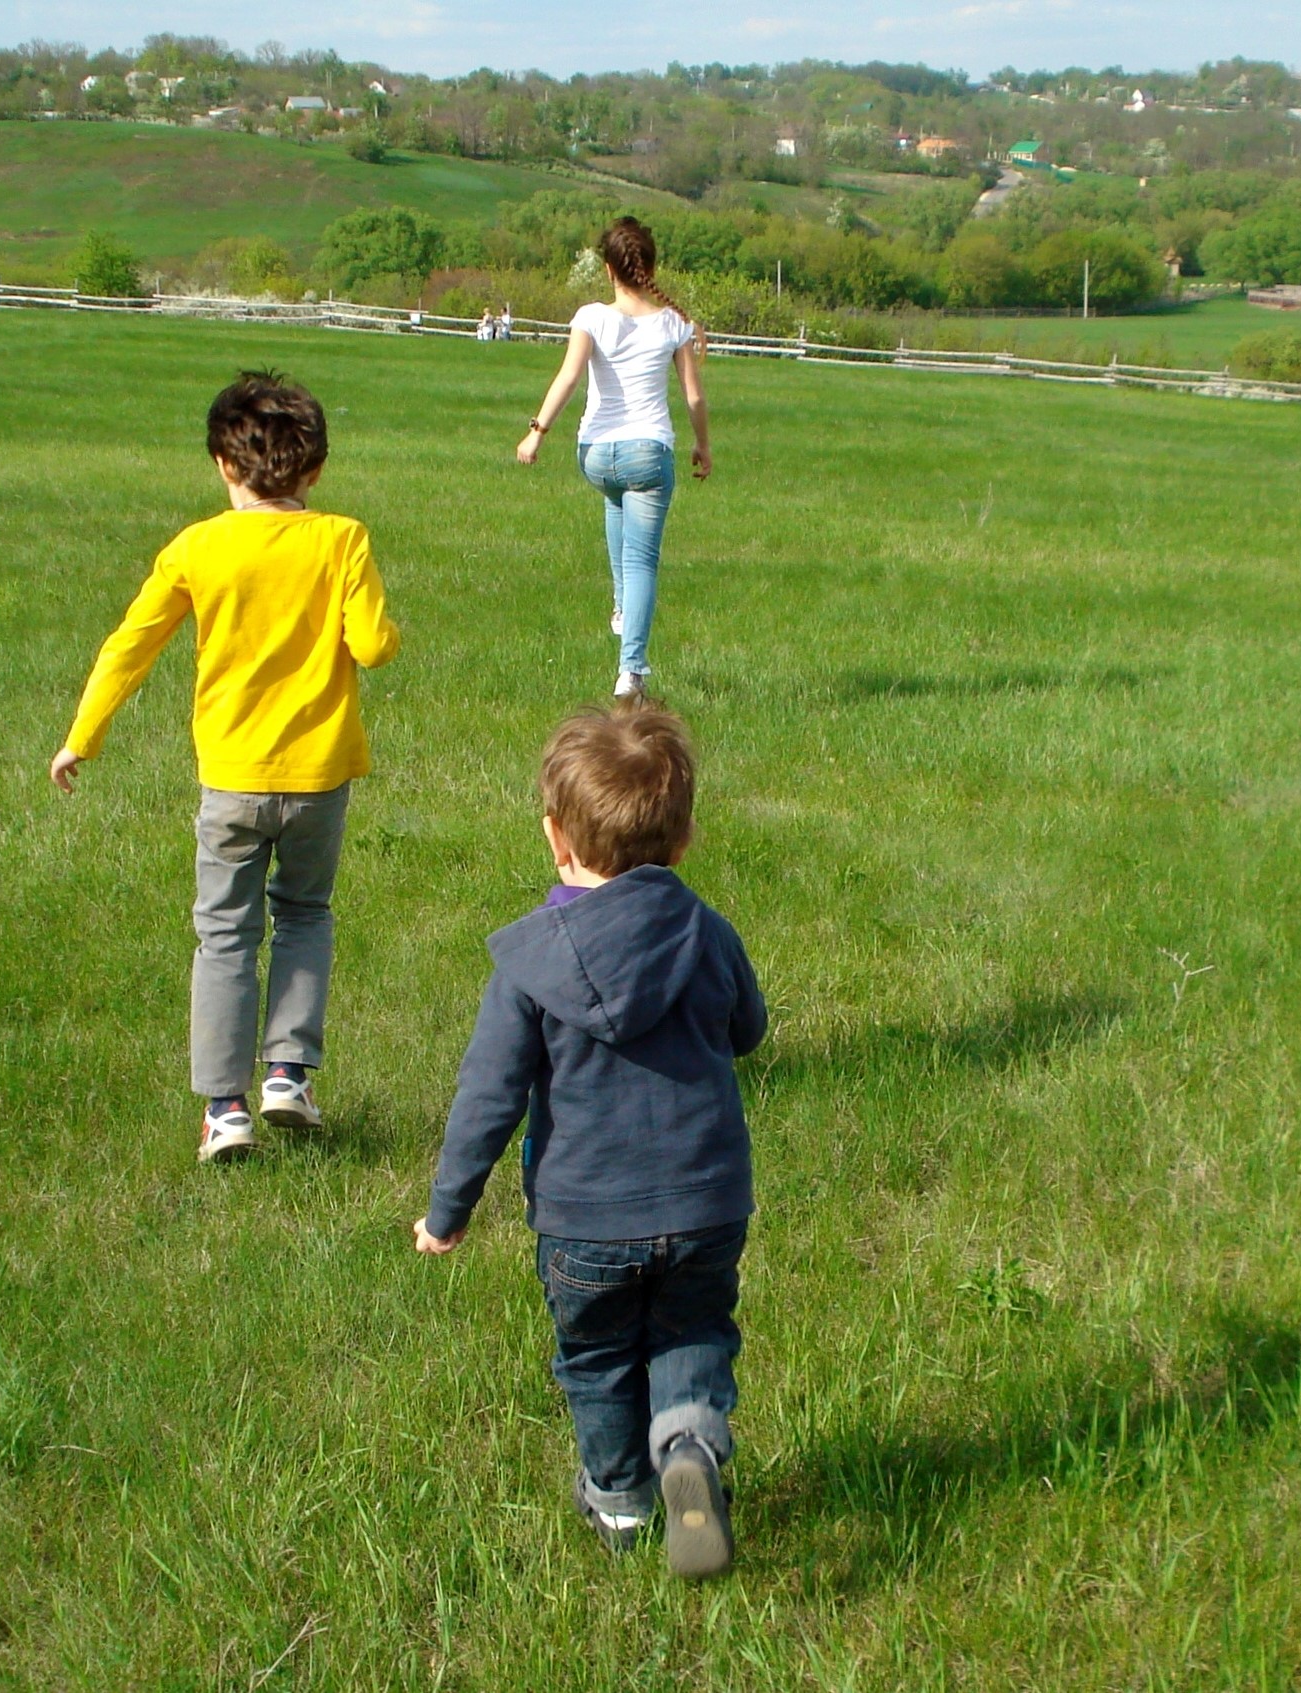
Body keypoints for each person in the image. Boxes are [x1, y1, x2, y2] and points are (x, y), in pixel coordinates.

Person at [413, 702, 765, 1579]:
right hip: (705, 1200)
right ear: (684, 841)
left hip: (583, 1223)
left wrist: (448, 1209)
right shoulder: (708, 933)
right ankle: (687, 1440)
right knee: (691, 1328)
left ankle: (618, 1498)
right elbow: (749, 1029)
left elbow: (487, 1097)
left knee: (600, 1355)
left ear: (555, 837)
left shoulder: (532, 963)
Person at [49, 370, 402, 1165]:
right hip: (318, 780)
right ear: (314, 469)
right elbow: (375, 646)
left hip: (231, 781)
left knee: (224, 936)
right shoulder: (342, 538)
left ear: (221, 463)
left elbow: (130, 645)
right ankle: (289, 1073)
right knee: (305, 914)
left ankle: (225, 1109)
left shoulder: (195, 548)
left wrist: (83, 735)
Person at [515, 217, 710, 699]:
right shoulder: (673, 324)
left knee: (614, 502)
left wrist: (536, 434)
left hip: (596, 455)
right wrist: (702, 445)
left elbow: (567, 379)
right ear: (650, 267)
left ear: (609, 270)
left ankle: (622, 608)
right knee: (642, 558)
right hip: (649, 451)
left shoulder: (591, 317)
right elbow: (694, 398)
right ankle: (632, 670)